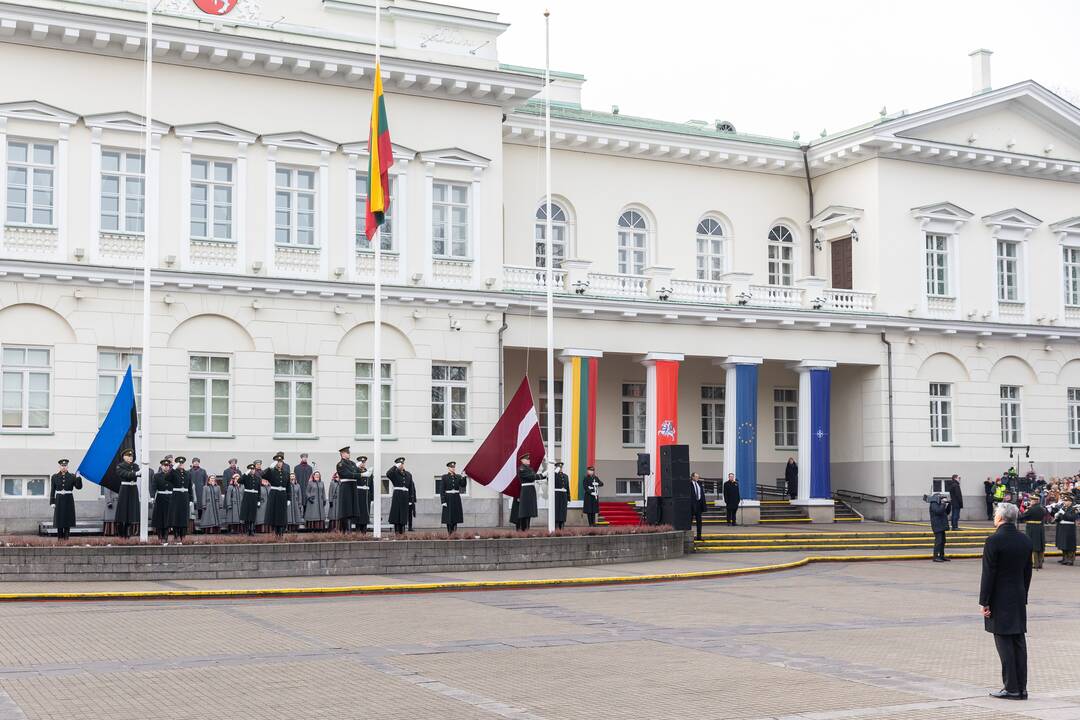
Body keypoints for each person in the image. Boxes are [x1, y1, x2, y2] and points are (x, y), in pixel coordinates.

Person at [980, 502, 1033, 701]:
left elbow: (988, 574)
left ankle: (1010, 687)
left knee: (1004, 642)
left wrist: (984, 601)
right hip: (1018, 596)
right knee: (1018, 642)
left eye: (995, 515)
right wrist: (1023, 595)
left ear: (1001, 518)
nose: (994, 517)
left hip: (999, 598)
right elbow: (1027, 572)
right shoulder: (1025, 540)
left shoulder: (994, 541)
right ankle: (1022, 688)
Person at [49, 459, 81, 540]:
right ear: (59, 467)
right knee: (59, 519)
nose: (64, 467)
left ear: (67, 467)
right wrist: (52, 502)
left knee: (68, 519)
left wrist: (78, 478)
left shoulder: (72, 476)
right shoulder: (54, 477)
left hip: (68, 499)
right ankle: (59, 538)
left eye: (65, 466)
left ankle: (66, 538)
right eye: (62, 466)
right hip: (59, 499)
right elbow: (53, 490)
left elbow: (78, 487)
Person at [262, 452, 290, 536]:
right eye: (278, 462)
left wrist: (289, 498)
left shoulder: (286, 473)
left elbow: (288, 486)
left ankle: (281, 531)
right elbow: (263, 475)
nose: (279, 463)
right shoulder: (272, 472)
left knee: (282, 513)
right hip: (274, 494)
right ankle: (276, 531)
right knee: (275, 513)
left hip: (282, 495)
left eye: (280, 462)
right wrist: (270, 468)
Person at [114, 449, 140, 539]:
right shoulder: (120, 466)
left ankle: (128, 533)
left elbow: (139, 473)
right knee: (123, 512)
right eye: (128, 456)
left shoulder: (135, 466)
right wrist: (136, 473)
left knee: (131, 512)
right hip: (125, 489)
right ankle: (122, 533)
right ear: (124, 457)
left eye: (131, 456)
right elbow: (125, 474)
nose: (130, 458)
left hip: (133, 489)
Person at [168, 456, 195, 544]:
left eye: (182, 463)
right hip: (176, 497)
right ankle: (176, 535)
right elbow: (167, 478)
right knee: (176, 517)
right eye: (180, 463)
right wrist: (173, 468)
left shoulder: (188, 473)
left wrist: (191, 499)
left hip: (185, 497)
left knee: (184, 517)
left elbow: (190, 487)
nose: (181, 464)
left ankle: (183, 536)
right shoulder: (174, 472)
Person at [514, 452, 542, 532]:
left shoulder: (529, 468)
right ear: (523, 460)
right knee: (525, 511)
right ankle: (523, 529)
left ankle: (527, 529)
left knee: (529, 511)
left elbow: (534, 476)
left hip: (530, 490)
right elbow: (531, 477)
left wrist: (544, 475)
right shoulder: (522, 469)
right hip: (526, 491)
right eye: (527, 459)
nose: (529, 460)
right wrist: (542, 475)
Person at [335, 446, 361, 533]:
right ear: (342, 454)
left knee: (352, 509)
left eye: (349, 452)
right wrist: (360, 474)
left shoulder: (352, 463)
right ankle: (345, 530)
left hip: (352, 486)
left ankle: (349, 529)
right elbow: (348, 474)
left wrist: (359, 473)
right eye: (347, 452)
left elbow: (357, 472)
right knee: (346, 509)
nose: (349, 453)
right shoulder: (340, 464)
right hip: (346, 486)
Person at [1019, 495, 1046, 570]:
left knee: (1033, 545)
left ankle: (1035, 563)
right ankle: (1040, 563)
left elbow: (1021, 517)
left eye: (1031, 501)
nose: (1030, 502)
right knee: (1040, 545)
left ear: (1034, 501)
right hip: (1040, 528)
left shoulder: (1031, 509)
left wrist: (1024, 510)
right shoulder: (1042, 509)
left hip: (1032, 528)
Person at [387, 457, 412, 534]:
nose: (401, 465)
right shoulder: (394, 473)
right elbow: (388, 474)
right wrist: (395, 466)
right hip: (397, 496)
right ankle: (397, 532)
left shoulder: (408, 474)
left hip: (405, 496)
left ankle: (403, 532)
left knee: (403, 515)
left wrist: (411, 499)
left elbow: (411, 487)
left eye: (402, 464)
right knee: (396, 514)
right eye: (400, 464)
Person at [150, 457, 173, 543]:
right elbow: (153, 487)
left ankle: (166, 536)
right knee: (159, 518)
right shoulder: (156, 476)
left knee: (167, 518)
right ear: (161, 466)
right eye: (164, 465)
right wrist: (152, 497)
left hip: (170, 498)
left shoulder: (172, 475)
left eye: (167, 465)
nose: (166, 467)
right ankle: (160, 536)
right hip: (160, 498)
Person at [440, 461, 465, 535]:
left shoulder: (458, 476)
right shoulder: (444, 477)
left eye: (454, 467)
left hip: (456, 498)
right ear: (448, 468)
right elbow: (442, 490)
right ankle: (449, 532)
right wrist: (443, 501)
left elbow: (463, 485)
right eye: (451, 467)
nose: (453, 468)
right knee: (449, 517)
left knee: (455, 516)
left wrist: (463, 477)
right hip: (448, 498)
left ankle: (454, 532)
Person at [238, 463, 261, 536]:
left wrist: (259, 500)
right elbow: (239, 480)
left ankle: (252, 529)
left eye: (253, 469)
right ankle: (248, 530)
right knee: (247, 514)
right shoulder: (246, 477)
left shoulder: (258, 478)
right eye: (251, 469)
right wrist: (245, 474)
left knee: (253, 514)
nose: (252, 471)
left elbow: (259, 490)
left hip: (254, 497)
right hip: (247, 497)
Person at [928, 492, 951, 562]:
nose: (941, 499)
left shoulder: (939, 504)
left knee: (943, 541)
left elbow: (946, 512)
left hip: (942, 525)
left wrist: (949, 504)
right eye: (940, 497)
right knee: (938, 541)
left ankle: (941, 555)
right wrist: (943, 504)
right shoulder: (933, 504)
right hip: (937, 525)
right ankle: (935, 556)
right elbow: (938, 511)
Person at [1053, 497, 1076, 565]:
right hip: (1062, 527)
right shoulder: (1063, 508)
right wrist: (1057, 517)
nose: (1065, 502)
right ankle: (1065, 558)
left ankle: (1070, 560)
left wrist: (1063, 513)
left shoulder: (1073, 509)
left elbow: (1072, 518)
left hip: (1069, 528)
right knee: (1063, 544)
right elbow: (1060, 518)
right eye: (1064, 501)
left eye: (1066, 501)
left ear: (1070, 502)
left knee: (1069, 544)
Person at [356, 455, 373, 534]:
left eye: (364, 462)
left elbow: (371, 485)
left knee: (366, 513)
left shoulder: (368, 472)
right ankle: (358, 530)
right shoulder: (356, 472)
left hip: (366, 495)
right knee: (358, 513)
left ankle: (364, 531)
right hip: (358, 495)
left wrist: (372, 498)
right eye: (361, 462)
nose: (363, 464)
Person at [551, 461, 569, 530]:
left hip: (564, 495)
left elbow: (568, 488)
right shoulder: (554, 475)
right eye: (559, 467)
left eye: (561, 467)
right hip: (557, 495)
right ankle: (557, 525)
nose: (560, 468)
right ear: (556, 467)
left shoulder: (565, 476)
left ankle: (562, 525)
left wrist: (568, 498)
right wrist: (555, 472)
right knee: (557, 510)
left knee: (563, 511)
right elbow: (550, 481)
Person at [690, 472, 707, 541]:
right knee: (689, 521)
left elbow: (702, 495)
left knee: (699, 521)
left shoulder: (699, 484)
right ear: (692, 477)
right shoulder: (689, 484)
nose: (697, 478)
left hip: (699, 505)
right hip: (691, 505)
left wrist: (703, 505)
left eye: (698, 476)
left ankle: (699, 536)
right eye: (696, 476)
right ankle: (689, 536)